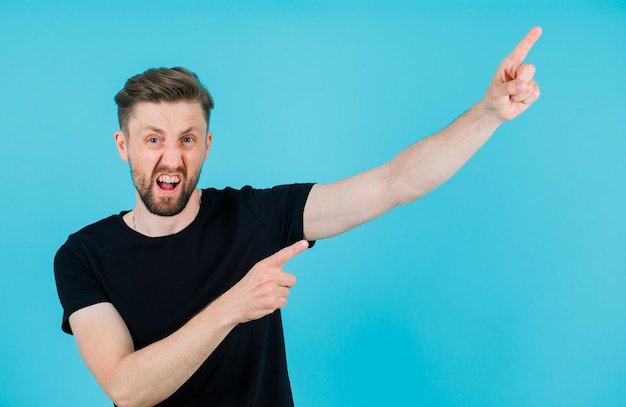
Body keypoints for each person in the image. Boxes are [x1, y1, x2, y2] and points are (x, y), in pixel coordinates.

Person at [54, 27, 542, 407]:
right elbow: (126, 390)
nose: (172, 157)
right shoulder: (84, 255)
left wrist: (488, 115)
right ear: (124, 146)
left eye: (187, 139)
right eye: (154, 138)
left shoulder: (258, 216)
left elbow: (394, 182)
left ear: (206, 144)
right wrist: (234, 305)